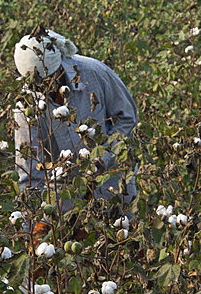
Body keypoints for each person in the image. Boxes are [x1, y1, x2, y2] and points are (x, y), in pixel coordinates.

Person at [13, 30, 138, 227]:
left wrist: (102, 158)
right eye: (39, 85)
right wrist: (31, 225)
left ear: (59, 68)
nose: (46, 88)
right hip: (64, 189)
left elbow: (127, 118)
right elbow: (29, 171)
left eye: (50, 81)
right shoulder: (26, 107)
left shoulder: (94, 73)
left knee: (126, 239)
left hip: (113, 179)